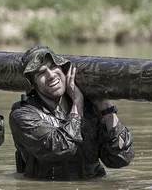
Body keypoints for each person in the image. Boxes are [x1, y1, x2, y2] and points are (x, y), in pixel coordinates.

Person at [9, 46, 134, 180]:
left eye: (53, 67)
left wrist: (105, 107)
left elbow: (120, 158)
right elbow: (62, 147)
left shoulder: (90, 107)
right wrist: (77, 103)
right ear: (32, 84)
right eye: (41, 73)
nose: (51, 76)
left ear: (63, 69)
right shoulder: (23, 115)